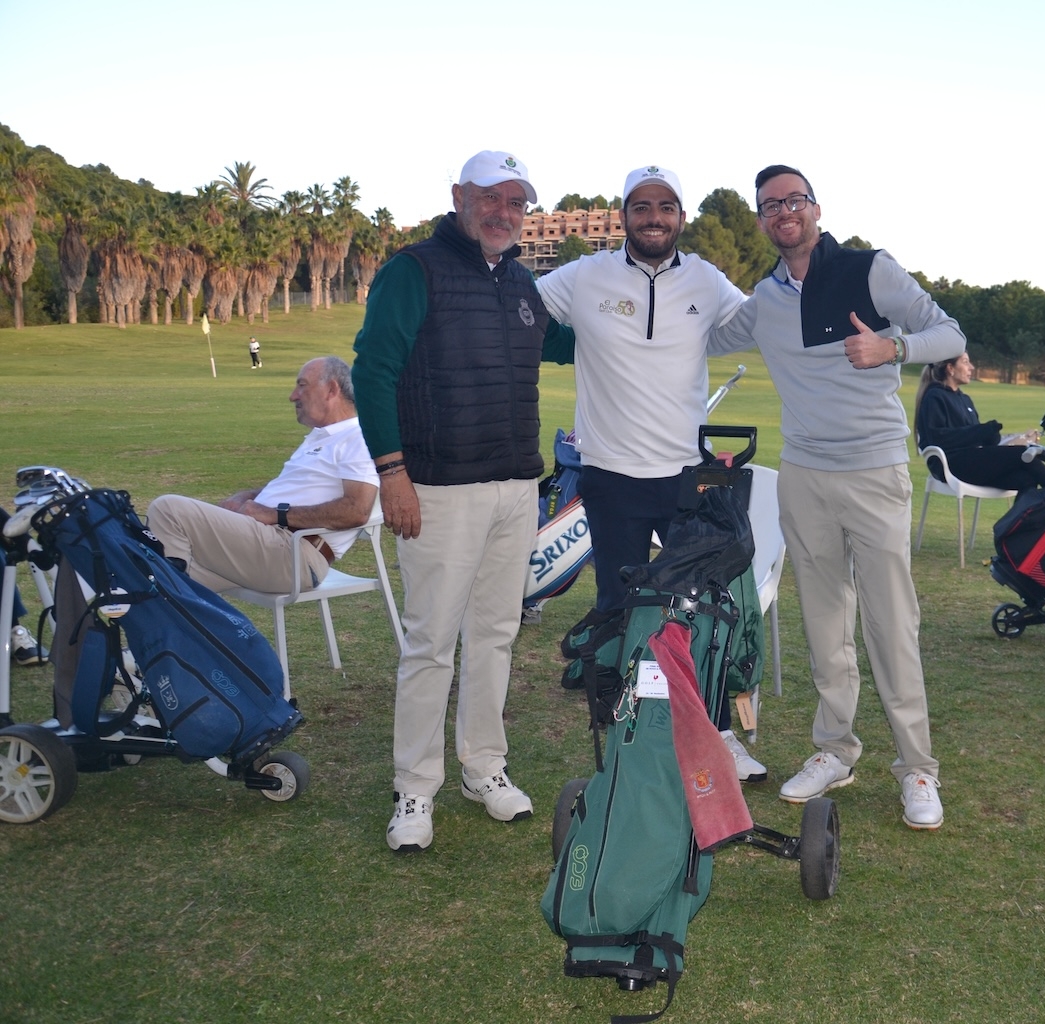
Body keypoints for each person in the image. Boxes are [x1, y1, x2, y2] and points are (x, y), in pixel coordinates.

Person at [710, 164, 964, 830]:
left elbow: (950, 333)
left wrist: (893, 347)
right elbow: (700, 337)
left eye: (794, 199)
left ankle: (917, 768)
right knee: (825, 624)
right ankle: (835, 750)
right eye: (770, 205)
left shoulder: (870, 269)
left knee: (891, 624)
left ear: (815, 209)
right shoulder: (764, 299)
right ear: (760, 221)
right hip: (804, 476)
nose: (783, 212)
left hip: (874, 472)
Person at [536, 165, 765, 783]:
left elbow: (754, 324)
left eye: (666, 207)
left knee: (702, 607)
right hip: (610, 474)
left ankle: (718, 731)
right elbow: (520, 307)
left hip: (687, 477)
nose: (654, 217)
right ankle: (625, 725)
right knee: (618, 606)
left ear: (681, 217)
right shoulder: (585, 275)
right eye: (641, 207)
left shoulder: (706, 279)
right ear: (624, 216)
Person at [352, 150, 550, 853]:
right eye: (491, 197)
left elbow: (574, 342)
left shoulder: (521, 280)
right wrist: (392, 473)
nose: (504, 213)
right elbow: (373, 371)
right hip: (437, 489)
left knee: (495, 634)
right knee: (431, 642)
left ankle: (483, 766)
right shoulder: (415, 269)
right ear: (460, 195)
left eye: (516, 203)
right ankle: (415, 786)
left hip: (514, 487)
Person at [146, 356, 379, 596]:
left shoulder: (357, 437)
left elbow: (357, 511)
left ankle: (176, 606)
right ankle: (176, 608)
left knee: (168, 510)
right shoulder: (321, 437)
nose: (293, 396)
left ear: (331, 389)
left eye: (302, 385)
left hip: (294, 554)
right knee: (148, 576)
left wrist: (274, 514)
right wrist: (248, 496)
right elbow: (297, 488)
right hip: (267, 547)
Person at [913, 352, 1045, 493]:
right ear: (950, 368)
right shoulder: (934, 396)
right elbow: (937, 438)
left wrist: (999, 436)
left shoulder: (965, 399)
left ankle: (1041, 506)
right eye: (965, 362)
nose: (972, 367)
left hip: (972, 461)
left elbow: (978, 439)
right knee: (1024, 454)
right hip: (951, 464)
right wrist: (983, 430)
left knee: (1025, 479)